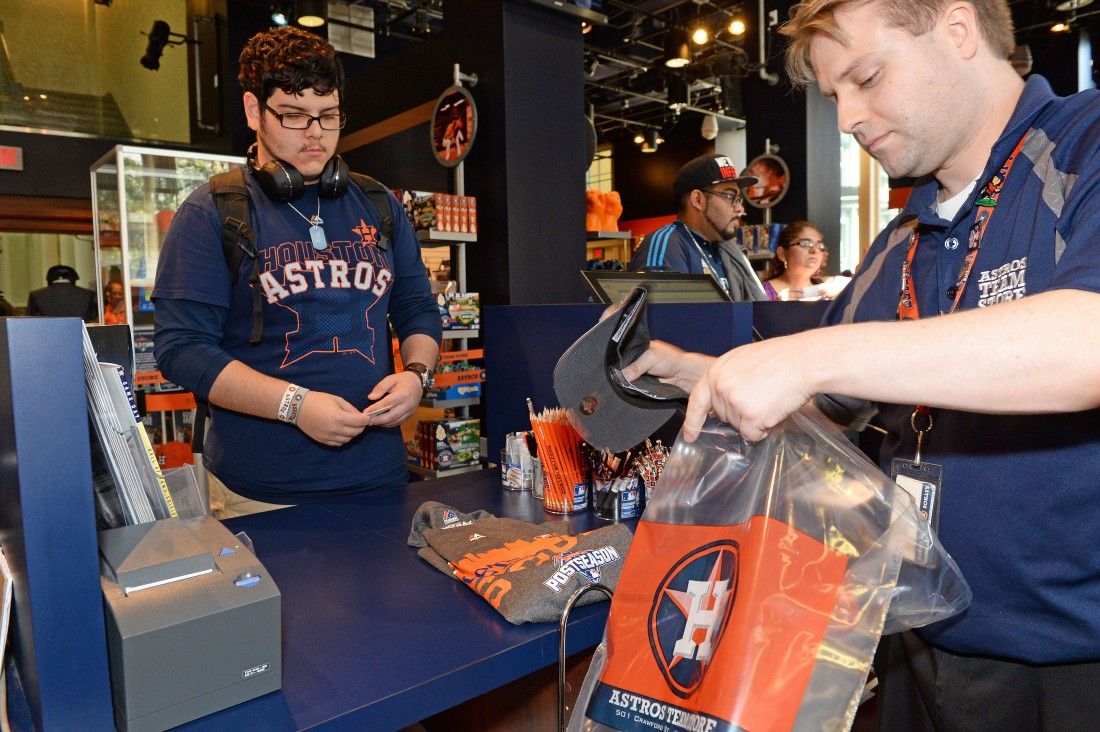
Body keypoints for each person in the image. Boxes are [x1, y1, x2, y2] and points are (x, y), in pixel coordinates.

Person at [620, 0, 1100, 728]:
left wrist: (811, 355)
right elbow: (826, 409)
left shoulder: (1083, 146)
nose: (847, 118)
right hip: (914, 633)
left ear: (959, 30)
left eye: (867, 78)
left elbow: (1087, 340)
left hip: (1068, 667)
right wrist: (696, 372)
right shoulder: (905, 237)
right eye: (834, 94)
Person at [153, 26, 441, 517]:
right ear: (253, 111)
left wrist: (417, 375)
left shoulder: (377, 204)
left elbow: (417, 308)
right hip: (258, 494)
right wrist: (294, 405)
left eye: (328, 117)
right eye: (293, 115)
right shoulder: (212, 212)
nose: (315, 133)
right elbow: (182, 350)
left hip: (379, 478)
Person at [629, 154, 767, 301]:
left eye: (738, 199)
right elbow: (658, 318)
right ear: (698, 199)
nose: (740, 208)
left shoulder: (726, 251)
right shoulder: (666, 244)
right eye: (729, 196)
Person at [760, 221, 827, 300]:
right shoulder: (762, 293)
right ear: (782, 254)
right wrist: (776, 307)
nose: (814, 250)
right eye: (805, 243)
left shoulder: (828, 291)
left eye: (819, 245)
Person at [26, 265, 98, 322]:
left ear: (49, 279)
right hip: (80, 337)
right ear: (73, 278)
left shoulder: (35, 295)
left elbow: (30, 321)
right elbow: (93, 318)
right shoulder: (89, 294)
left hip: (48, 338)